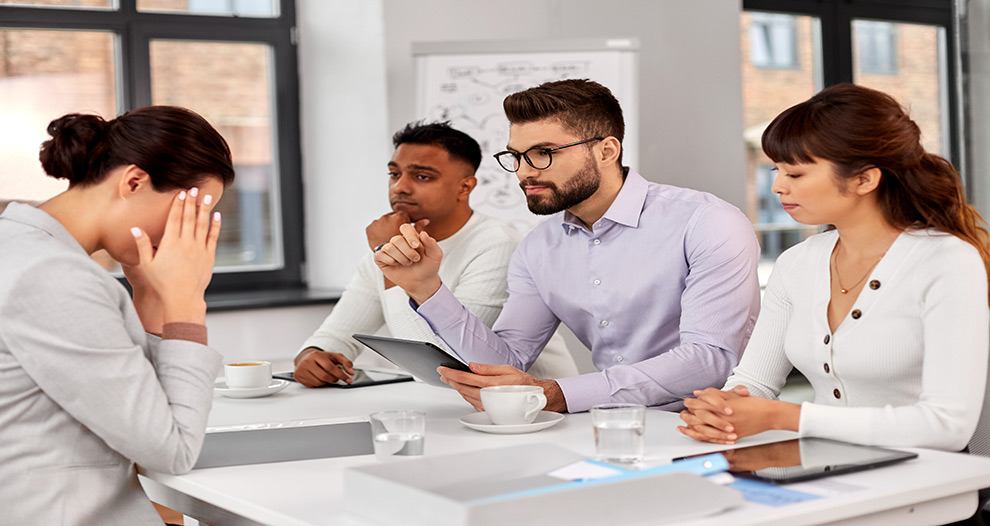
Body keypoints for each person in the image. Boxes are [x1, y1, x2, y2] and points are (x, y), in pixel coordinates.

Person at [374, 79, 761, 413]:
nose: (524, 172)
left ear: (606, 151)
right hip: (605, 425)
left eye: (543, 154)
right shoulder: (538, 248)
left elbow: (710, 359)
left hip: (712, 424)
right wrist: (425, 288)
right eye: (517, 156)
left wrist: (559, 394)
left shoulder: (707, 222)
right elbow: (506, 361)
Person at [678, 84, 990, 456]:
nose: (777, 186)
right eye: (776, 170)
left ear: (864, 179)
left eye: (795, 174)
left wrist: (786, 417)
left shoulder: (946, 261)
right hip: (826, 478)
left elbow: (947, 426)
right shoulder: (797, 263)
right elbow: (753, 383)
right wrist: (722, 408)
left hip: (926, 492)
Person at [0, 106, 235, 525]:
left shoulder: (21, 245)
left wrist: (149, 294)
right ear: (134, 181)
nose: (190, 233)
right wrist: (186, 303)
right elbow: (171, 449)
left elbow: (138, 408)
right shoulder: (53, 276)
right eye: (189, 212)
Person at [293, 121, 577, 387]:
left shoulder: (497, 244)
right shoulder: (388, 245)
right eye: (394, 174)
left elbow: (439, 365)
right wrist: (312, 355)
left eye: (422, 176)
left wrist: (390, 257)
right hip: (454, 408)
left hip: (538, 411)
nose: (400, 186)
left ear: (465, 187)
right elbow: (337, 336)